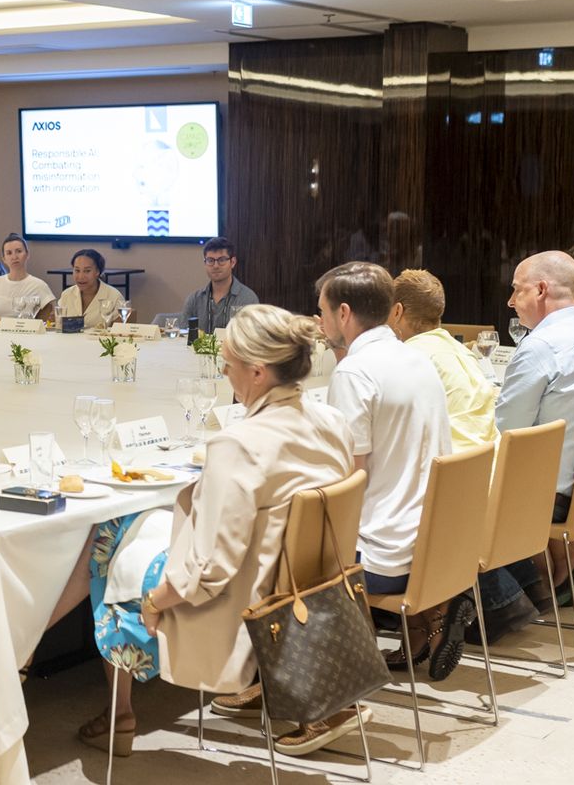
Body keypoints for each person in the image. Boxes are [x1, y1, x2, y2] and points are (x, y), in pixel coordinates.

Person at [45, 305, 356, 758]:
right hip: (308, 593)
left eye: (227, 366)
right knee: (125, 529)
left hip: (239, 612)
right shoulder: (332, 423)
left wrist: (155, 601)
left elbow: (208, 571)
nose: (224, 376)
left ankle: (113, 711)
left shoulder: (240, 445)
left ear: (256, 372)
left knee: (108, 542)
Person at [316, 262, 460, 676]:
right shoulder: (416, 358)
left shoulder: (355, 371)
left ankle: (313, 681)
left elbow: (349, 479)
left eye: (323, 311)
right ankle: (425, 626)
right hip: (433, 543)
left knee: (274, 549)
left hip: (383, 555)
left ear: (344, 314)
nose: (321, 320)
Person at [491, 251, 574, 611]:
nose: (510, 301)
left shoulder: (540, 348)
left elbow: (507, 431)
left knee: (444, 489)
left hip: (547, 496)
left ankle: (506, 600)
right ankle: (554, 567)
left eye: (516, 290)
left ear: (540, 290)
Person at [387, 269, 498, 452]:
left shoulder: (409, 356)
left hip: (447, 471)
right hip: (486, 464)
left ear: (397, 311)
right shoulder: (462, 351)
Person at [183, 237, 258, 338]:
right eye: (210, 260)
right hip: (197, 353)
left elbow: (251, 338)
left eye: (221, 260)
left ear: (233, 262)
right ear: (205, 263)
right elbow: (183, 337)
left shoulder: (248, 299)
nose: (215, 266)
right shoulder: (194, 299)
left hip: (233, 353)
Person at [0, 233, 55, 323]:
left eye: (19, 251)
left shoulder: (39, 285)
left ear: (27, 254)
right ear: (4, 259)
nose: (14, 257)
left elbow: (53, 318)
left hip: (28, 335)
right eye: (9, 253)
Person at [57, 248, 126, 329]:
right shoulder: (67, 294)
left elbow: (119, 332)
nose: (81, 276)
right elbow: (58, 325)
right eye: (77, 270)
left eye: (87, 271)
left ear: (98, 272)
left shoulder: (114, 296)